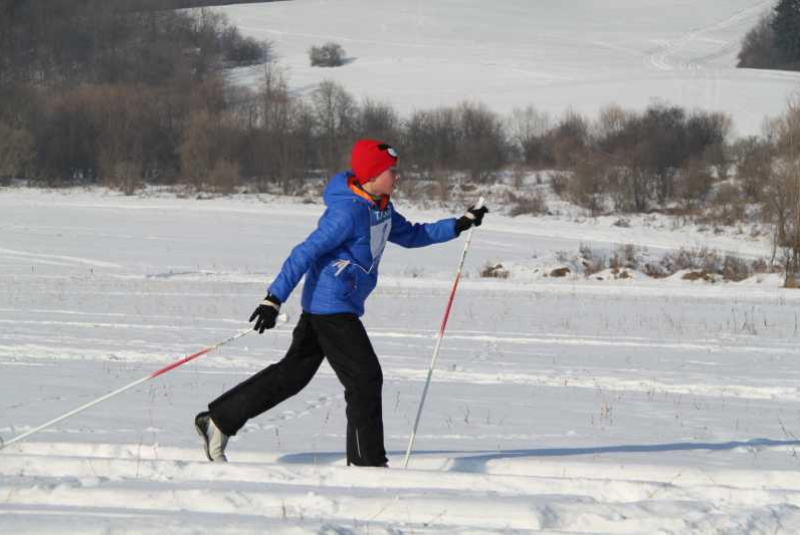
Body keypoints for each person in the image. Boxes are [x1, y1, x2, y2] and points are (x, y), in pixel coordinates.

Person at [195, 139, 488, 466]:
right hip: (331, 308)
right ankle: (367, 463)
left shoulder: (381, 208)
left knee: (292, 375)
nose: (397, 176)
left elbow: (413, 235)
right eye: (391, 171)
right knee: (365, 378)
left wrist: (459, 224)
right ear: (373, 175)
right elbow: (303, 252)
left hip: (335, 305)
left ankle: (218, 421)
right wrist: (273, 298)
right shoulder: (347, 213)